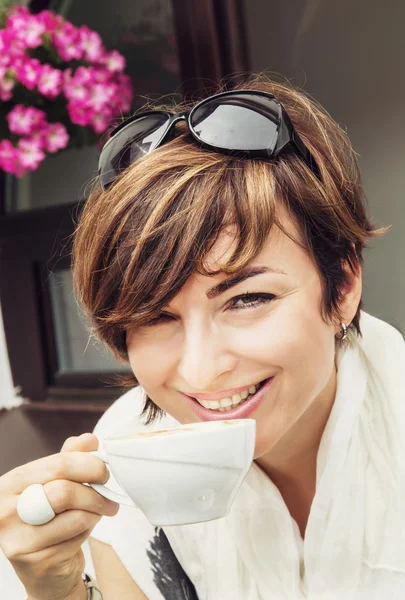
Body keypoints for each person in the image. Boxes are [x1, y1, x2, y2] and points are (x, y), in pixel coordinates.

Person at [1, 72, 404, 600]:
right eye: (156, 316)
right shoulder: (126, 448)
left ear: (344, 286)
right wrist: (60, 589)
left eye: (249, 299)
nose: (200, 370)